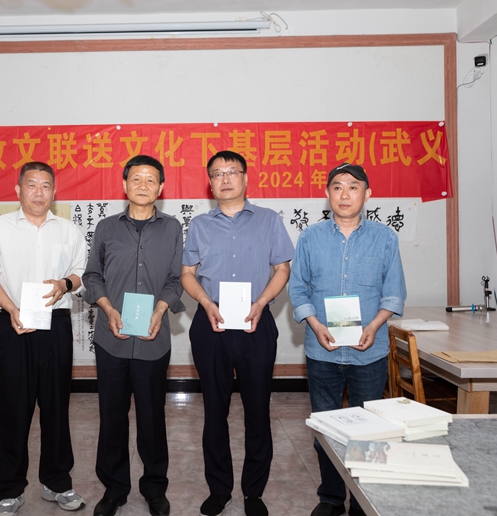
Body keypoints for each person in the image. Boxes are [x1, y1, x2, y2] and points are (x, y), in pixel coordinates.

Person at [288, 162, 407, 516]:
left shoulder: (385, 238)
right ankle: (331, 497)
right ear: (327, 194)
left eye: (353, 187)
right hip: (322, 350)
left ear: (367, 194)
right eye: (337, 187)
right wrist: (314, 324)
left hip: (368, 352)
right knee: (326, 427)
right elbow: (298, 289)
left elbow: (394, 293)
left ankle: (361, 500)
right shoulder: (310, 237)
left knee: (368, 431)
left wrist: (374, 325)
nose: (345, 194)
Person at [181, 151, 294, 516]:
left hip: (255, 322)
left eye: (232, 172)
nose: (225, 178)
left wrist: (261, 303)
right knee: (214, 410)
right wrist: (204, 302)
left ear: (245, 178)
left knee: (257, 409)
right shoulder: (200, 225)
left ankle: (253, 492)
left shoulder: (268, 220)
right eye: (217, 173)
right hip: (211, 322)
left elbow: (282, 268)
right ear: (210, 182)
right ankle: (219, 489)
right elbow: (187, 274)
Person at [0, 162, 87, 516]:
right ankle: (10, 488)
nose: (39, 192)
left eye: (46, 186)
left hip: (56, 326)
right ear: (18, 189)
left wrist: (64, 284)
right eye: (32, 185)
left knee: (56, 407)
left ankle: (57, 482)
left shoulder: (68, 230)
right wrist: (11, 308)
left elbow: (80, 273)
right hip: (15, 324)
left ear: (55, 191)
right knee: (14, 408)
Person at [82, 155, 185, 516]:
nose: (143, 185)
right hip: (112, 339)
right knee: (112, 416)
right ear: (124, 184)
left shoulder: (172, 228)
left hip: (153, 340)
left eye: (150, 180)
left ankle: (155, 488)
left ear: (161, 187)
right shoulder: (106, 228)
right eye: (136, 179)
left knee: (152, 418)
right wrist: (108, 308)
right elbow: (92, 275)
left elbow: (175, 279)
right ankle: (114, 489)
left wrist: (160, 309)